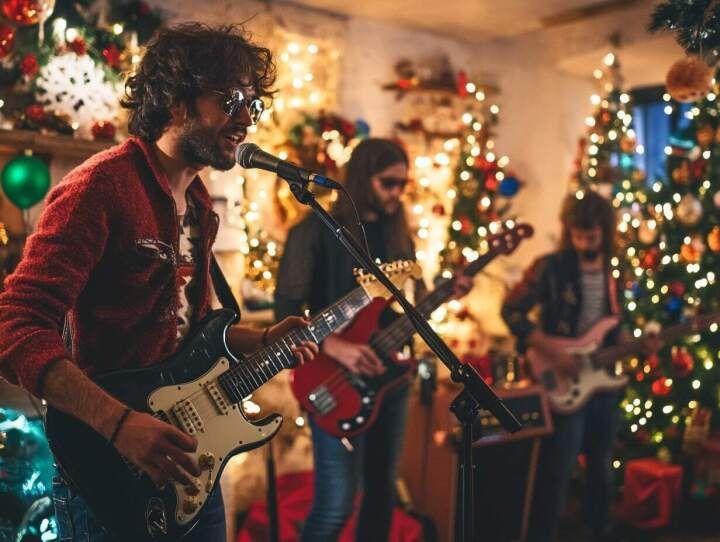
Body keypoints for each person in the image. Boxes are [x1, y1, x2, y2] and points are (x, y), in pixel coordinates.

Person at [0, 23, 318, 542]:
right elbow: (15, 325)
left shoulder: (198, 205)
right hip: (107, 469)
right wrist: (120, 425)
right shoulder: (101, 187)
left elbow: (189, 332)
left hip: (187, 466)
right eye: (230, 100)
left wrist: (261, 340)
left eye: (252, 106)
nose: (245, 120)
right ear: (176, 101)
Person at [275, 138, 472, 541]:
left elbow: (407, 304)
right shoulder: (313, 232)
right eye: (388, 183)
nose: (397, 193)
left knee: (382, 494)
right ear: (363, 179)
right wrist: (336, 346)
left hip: (389, 377)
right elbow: (285, 311)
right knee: (336, 505)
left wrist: (446, 293)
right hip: (331, 377)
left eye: (402, 184)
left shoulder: (397, 234)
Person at [502, 191, 659, 542]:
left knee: (601, 465)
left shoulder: (615, 272)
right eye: (577, 235)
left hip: (602, 381)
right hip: (561, 378)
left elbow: (614, 327)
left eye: (591, 236)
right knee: (558, 467)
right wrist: (550, 349)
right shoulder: (549, 268)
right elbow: (511, 311)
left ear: (605, 231)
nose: (583, 243)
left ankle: (598, 530)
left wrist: (639, 344)